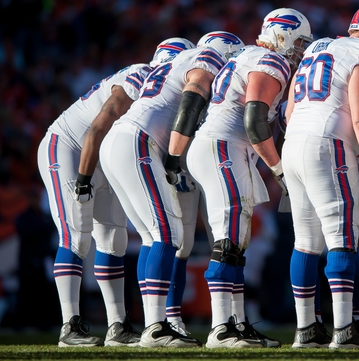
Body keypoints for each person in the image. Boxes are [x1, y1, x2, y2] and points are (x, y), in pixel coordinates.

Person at [184, 8, 313, 349]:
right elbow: (255, 120)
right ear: (282, 35)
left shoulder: (248, 55)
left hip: (222, 148)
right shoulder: (271, 60)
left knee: (236, 239)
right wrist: (281, 170)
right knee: (228, 239)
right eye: (299, 41)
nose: (300, 50)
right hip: (224, 147)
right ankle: (220, 328)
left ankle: (237, 323)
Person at [36, 41, 171, 347]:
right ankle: (69, 326)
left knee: (114, 238)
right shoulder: (140, 77)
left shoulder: (165, 93)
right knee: (76, 235)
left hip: (103, 154)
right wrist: (84, 178)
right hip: (70, 147)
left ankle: (117, 326)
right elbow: (99, 125)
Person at [282, 2, 359, 349]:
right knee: (342, 236)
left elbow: (288, 112)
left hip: (294, 142)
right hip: (326, 142)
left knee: (305, 241)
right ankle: (345, 330)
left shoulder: (316, 47)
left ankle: (306, 330)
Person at [98, 36, 224, 348]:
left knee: (154, 238)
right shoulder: (206, 61)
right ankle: (156, 327)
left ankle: (155, 323)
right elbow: (193, 99)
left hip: (121, 141)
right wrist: (174, 159)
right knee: (168, 235)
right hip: (139, 142)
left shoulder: (170, 67)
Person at [164, 31, 245, 338]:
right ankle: (172, 319)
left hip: (200, 155)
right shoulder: (200, 67)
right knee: (180, 241)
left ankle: (232, 318)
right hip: (185, 157)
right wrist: (172, 158)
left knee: (225, 236)